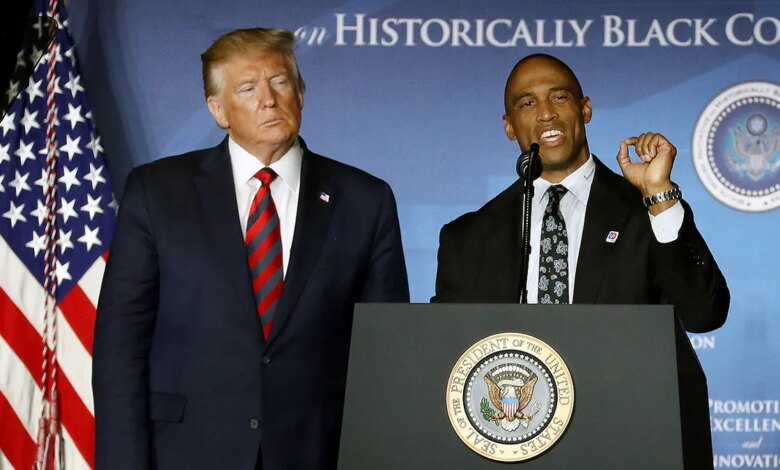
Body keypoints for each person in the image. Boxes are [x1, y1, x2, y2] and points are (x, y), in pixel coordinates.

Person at [93, 28, 409, 470]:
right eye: (247, 88)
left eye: (280, 82)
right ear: (218, 110)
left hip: (317, 454)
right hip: (186, 453)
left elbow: (385, 357)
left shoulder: (365, 200)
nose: (269, 99)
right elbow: (119, 347)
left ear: (301, 93)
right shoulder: (156, 193)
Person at [432, 53, 728, 333]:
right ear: (509, 127)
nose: (546, 114)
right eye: (527, 104)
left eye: (559, 97)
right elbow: (446, 349)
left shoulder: (645, 213)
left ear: (585, 109)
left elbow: (704, 314)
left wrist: (658, 193)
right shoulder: (467, 240)